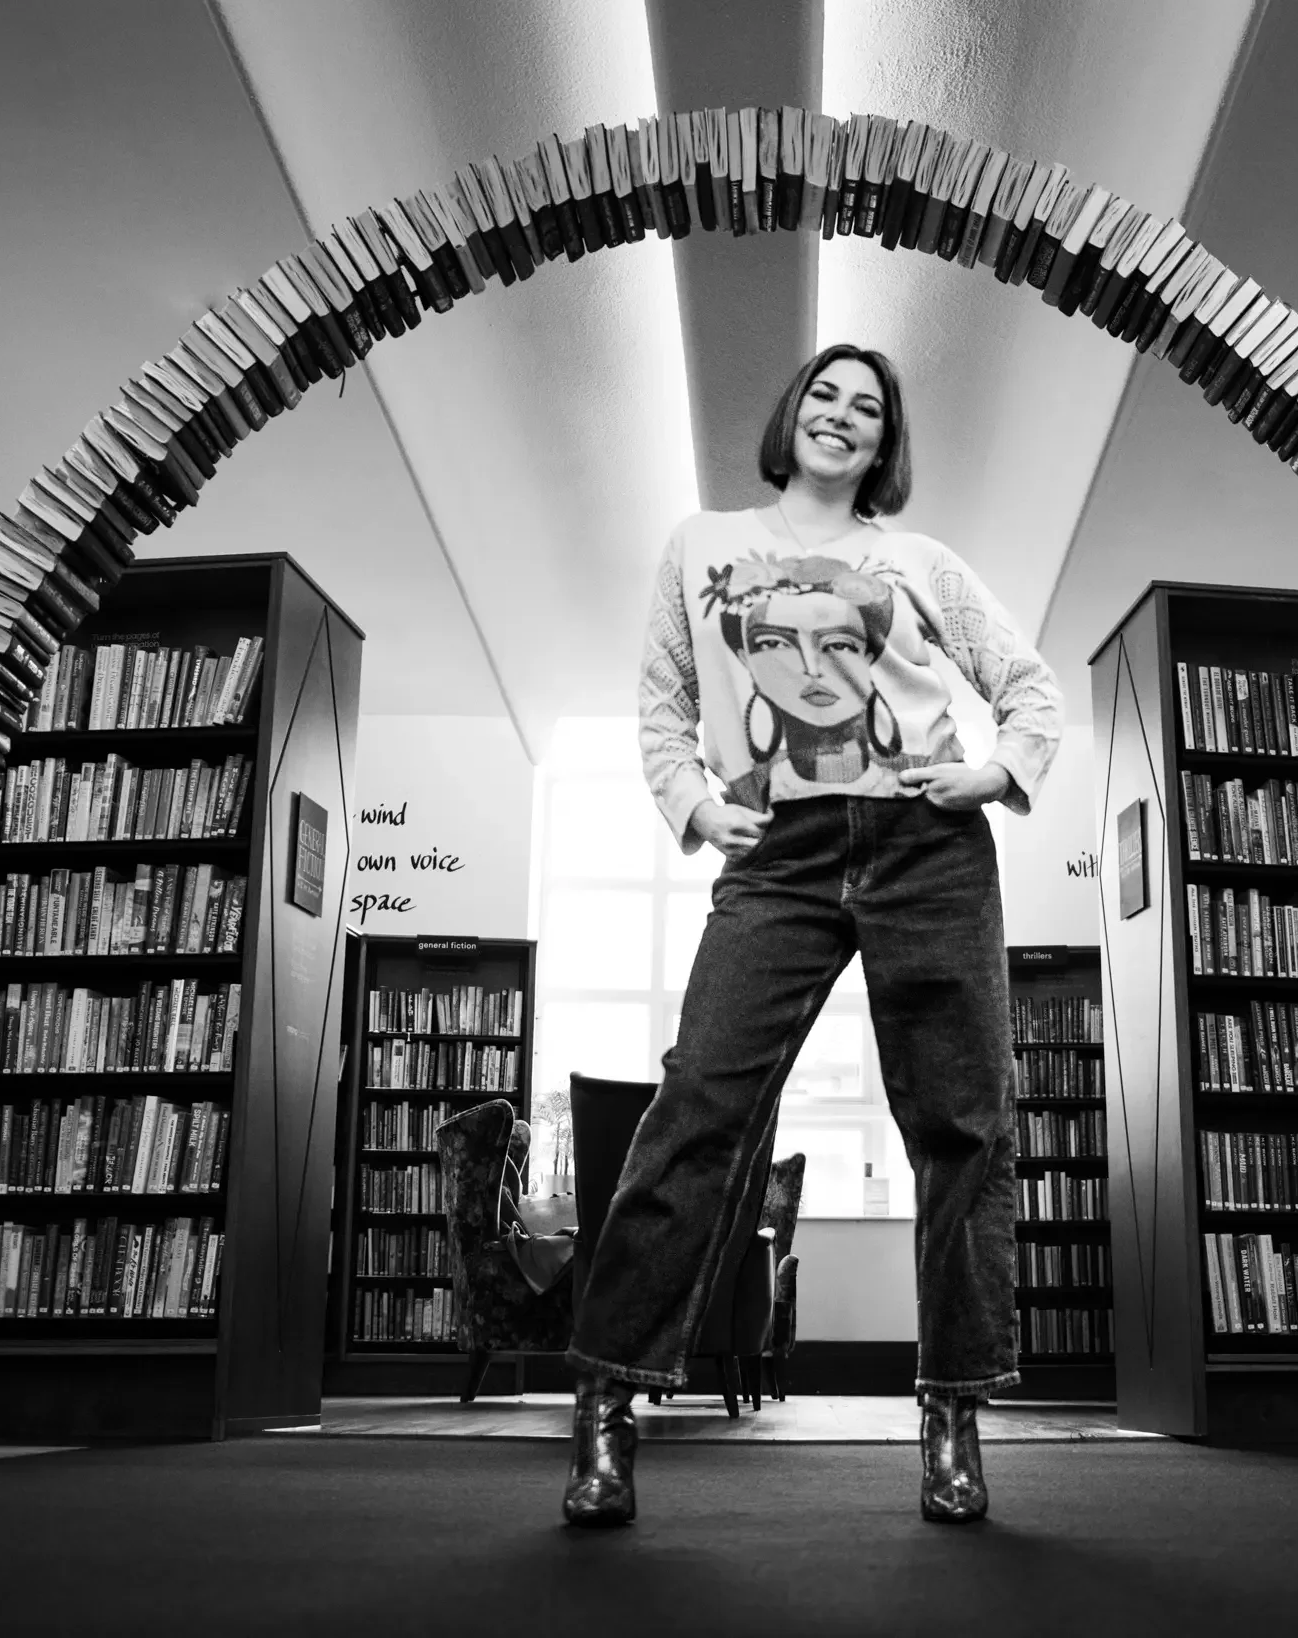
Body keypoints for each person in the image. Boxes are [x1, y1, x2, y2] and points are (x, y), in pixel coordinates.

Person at [562, 342, 1063, 1527]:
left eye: (869, 410)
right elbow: (662, 702)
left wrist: (991, 776)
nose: (843, 417)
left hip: (925, 848)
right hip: (777, 857)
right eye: (825, 397)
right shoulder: (699, 545)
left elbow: (1029, 688)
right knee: (698, 1104)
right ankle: (606, 1404)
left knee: (960, 1121)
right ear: (789, 418)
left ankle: (950, 1411)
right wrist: (692, 805)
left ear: (884, 447)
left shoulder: (918, 562)